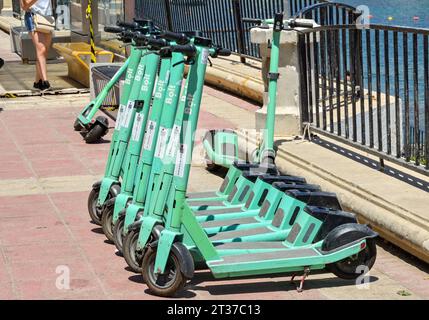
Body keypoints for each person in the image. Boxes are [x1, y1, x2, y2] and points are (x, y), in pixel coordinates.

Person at [20, 0, 53, 91]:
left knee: (44, 51)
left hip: (47, 17)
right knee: (41, 49)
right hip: (33, 17)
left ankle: (37, 82)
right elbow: (24, 6)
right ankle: (45, 82)